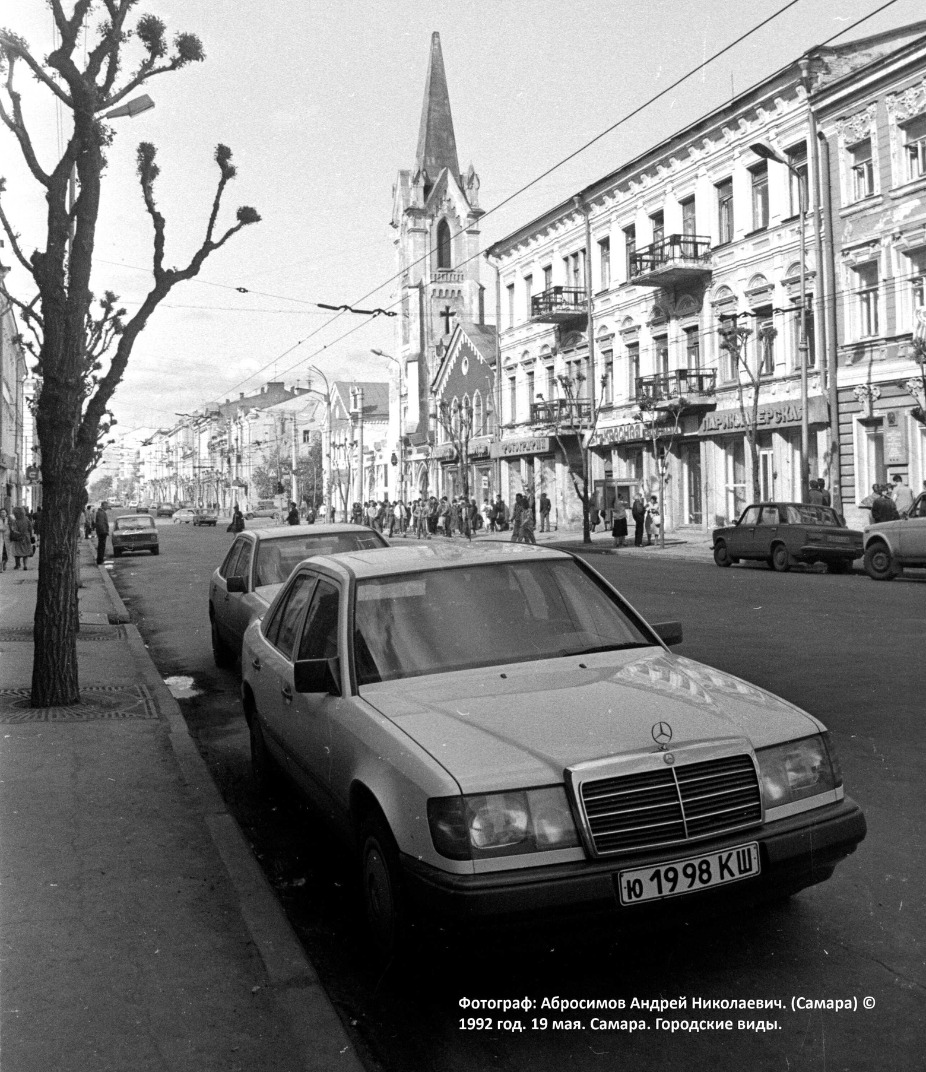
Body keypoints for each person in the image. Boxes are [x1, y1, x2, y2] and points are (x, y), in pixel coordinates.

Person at [93, 501, 109, 565]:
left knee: (101, 546)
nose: (107, 507)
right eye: (106, 505)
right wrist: (104, 531)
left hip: (102, 531)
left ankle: (100, 559)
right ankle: (100, 560)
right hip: (102, 532)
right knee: (101, 546)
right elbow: (101, 523)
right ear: (102, 506)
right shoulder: (101, 513)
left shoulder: (101, 512)